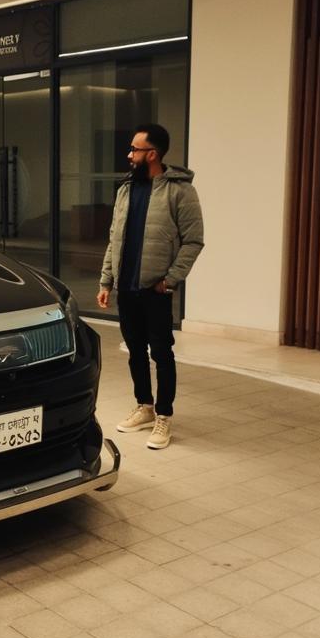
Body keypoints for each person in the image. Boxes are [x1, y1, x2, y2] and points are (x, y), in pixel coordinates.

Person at [97, 124, 204, 450]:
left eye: (135, 149)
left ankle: (164, 416)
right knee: (134, 352)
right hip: (126, 289)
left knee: (161, 353)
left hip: (155, 290)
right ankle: (144, 406)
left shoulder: (179, 191)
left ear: (152, 154)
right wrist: (106, 280)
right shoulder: (126, 189)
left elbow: (194, 241)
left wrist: (170, 280)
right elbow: (115, 237)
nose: (129, 155)